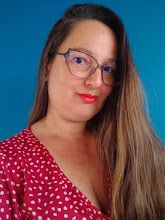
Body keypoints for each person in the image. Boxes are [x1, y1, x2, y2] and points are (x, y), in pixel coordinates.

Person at [0, 3, 164, 220]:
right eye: (80, 60)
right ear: (47, 66)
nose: (96, 81)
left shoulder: (135, 150)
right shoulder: (8, 164)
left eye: (108, 69)